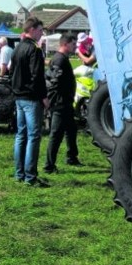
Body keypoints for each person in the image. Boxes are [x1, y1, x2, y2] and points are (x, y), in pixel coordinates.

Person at [11, 17, 49, 187]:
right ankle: (30, 176)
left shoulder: (17, 47)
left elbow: (13, 72)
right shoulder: (34, 49)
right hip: (31, 98)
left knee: (21, 135)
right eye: (40, 30)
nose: (42, 34)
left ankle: (19, 173)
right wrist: (44, 97)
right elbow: (37, 76)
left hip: (19, 96)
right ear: (32, 29)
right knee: (33, 137)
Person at [43, 33, 83, 173]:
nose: (75, 47)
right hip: (60, 103)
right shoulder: (59, 60)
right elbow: (53, 82)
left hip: (66, 102)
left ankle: (72, 157)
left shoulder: (61, 58)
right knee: (56, 134)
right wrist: (52, 100)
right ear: (65, 44)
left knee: (71, 130)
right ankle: (49, 165)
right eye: (73, 44)